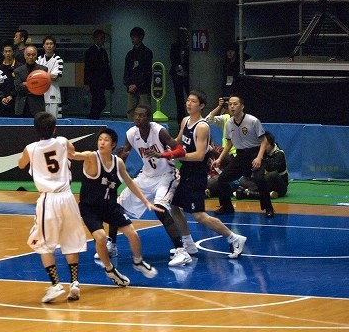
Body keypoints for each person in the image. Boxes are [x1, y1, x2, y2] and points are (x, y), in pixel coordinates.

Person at [149, 90, 248, 263]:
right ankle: (188, 243)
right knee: (174, 206)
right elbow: (177, 142)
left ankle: (234, 238)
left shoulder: (202, 127)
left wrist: (172, 156)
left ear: (201, 106)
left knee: (199, 215)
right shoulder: (185, 121)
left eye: (193, 101)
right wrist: (161, 145)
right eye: (188, 100)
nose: (189, 103)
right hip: (186, 171)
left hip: (197, 174)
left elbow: (200, 155)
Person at [105, 104, 193, 267]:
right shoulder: (131, 134)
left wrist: (162, 154)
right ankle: (111, 245)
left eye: (141, 115)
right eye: (135, 115)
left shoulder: (159, 131)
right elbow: (125, 154)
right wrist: (118, 160)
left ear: (149, 118)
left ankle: (182, 251)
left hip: (166, 175)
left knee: (160, 209)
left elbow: (180, 151)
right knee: (116, 207)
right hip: (146, 176)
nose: (137, 118)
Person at [73, 127, 159, 286]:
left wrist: (146, 201)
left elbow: (130, 182)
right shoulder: (91, 157)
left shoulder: (117, 162)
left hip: (110, 207)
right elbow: (75, 155)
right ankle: (110, 269)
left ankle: (138, 261)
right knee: (101, 237)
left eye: (106, 140)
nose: (102, 142)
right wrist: (62, 146)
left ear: (113, 144)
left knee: (133, 234)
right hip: (90, 208)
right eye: (100, 139)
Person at [17, 111, 86, 303]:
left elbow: (21, 165)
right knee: (71, 240)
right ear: (54, 129)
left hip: (49, 199)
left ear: (35, 129)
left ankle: (55, 284)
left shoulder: (30, 149)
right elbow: (73, 152)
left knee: (42, 244)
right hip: (68, 197)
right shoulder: (63, 142)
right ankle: (74, 283)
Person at [212, 94, 275, 218]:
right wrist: (219, 158)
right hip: (241, 155)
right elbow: (229, 143)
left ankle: (268, 208)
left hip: (255, 153)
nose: (232, 106)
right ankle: (227, 206)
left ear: (242, 106)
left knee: (259, 179)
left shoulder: (253, 121)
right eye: (230, 104)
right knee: (222, 178)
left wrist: (259, 157)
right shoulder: (229, 123)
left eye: (235, 104)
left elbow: (263, 141)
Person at [235, 131, 288, 200]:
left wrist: (260, 158)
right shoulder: (260, 154)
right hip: (264, 183)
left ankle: (246, 193)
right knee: (243, 180)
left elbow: (271, 167)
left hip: (279, 185)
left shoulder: (280, 154)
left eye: (265, 145)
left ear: (271, 144)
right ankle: (262, 193)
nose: (262, 148)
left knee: (272, 175)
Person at [83, 29, 114, 120]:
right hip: (94, 82)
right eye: (101, 38)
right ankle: (92, 119)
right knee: (98, 102)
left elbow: (106, 68)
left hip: (102, 82)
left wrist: (110, 83)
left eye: (104, 38)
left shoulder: (103, 52)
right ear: (95, 39)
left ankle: (93, 118)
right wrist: (87, 83)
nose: (103, 40)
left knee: (100, 102)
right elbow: (87, 68)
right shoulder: (90, 51)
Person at [123, 26, 152, 120]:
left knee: (145, 111)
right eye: (131, 37)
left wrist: (137, 85)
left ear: (141, 37)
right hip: (131, 88)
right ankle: (132, 128)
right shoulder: (129, 54)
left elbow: (146, 72)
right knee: (130, 111)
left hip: (143, 88)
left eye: (135, 36)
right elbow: (126, 71)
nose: (132, 39)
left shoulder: (147, 53)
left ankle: (147, 129)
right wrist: (128, 84)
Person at [14, 45, 48, 117]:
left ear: (36, 55)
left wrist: (26, 84)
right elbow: (18, 87)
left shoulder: (43, 70)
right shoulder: (18, 70)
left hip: (37, 105)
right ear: (24, 56)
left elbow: (42, 87)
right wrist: (34, 85)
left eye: (33, 55)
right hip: (22, 106)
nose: (31, 57)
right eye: (28, 55)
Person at [36, 35, 63, 117]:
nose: (49, 46)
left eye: (51, 44)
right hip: (40, 94)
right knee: (40, 120)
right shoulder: (39, 59)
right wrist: (47, 74)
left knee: (53, 120)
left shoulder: (58, 60)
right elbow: (34, 76)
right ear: (43, 46)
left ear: (54, 46)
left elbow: (54, 77)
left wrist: (40, 74)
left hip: (53, 94)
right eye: (47, 44)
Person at [0, 39, 21, 116]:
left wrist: (12, 95)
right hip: (2, 103)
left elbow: (21, 85)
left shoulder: (20, 67)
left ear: (13, 52)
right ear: (3, 53)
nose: (8, 53)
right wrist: (1, 97)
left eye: (9, 51)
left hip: (17, 102)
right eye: (6, 52)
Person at [169, 27, 189, 123]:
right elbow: (173, 59)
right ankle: (181, 118)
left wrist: (186, 70)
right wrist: (179, 68)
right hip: (176, 73)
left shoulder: (188, 47)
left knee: (191, 95)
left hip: (188, 74)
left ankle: (192, 116)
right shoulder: (174, 46)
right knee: (179, 97)